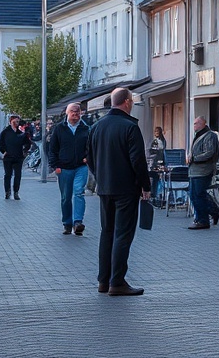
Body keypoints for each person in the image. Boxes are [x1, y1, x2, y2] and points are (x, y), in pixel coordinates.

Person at [87, 87, 151, 296]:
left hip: (104, 188)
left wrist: (100, 177)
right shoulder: (130, 127)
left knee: (107, 233)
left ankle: (103, 281)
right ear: (127, 102)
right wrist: (145, 186)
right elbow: (138, 161)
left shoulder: (96, 127)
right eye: (131, 101)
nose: (131, 104)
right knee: (123, 234)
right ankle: (117, 281)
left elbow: (91, 159)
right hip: (126, 188)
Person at [49, 102, 91, 236]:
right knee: (66, 197)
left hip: (80, 167)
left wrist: (88, 157)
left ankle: (78, 222)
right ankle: (67, 223)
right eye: (73, 111)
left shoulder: (86, 129)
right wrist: (56, 165)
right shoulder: (59, 129)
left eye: (78, 112)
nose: (76, 114)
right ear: (67, 112)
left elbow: (92, 146)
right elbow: (52, 148)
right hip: (64, 168)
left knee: (79, 192)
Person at [186, 116, 219, 230]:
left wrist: (194, 158)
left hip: (203, 170)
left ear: (203, 124)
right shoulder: (198, 135)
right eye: (194, 123)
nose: (194, 126)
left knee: (198, 194)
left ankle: (203, 219)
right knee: (194, 194)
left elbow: (209, 152)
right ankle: (208, 213)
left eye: (196, 123)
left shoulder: (210, 135)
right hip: (194, 171)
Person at [0, 114, 32, 199]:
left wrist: (25, 151)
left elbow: (27, 143)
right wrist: (4, 151)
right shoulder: (5, 132)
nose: (16, 123)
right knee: (8, 175)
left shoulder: (20, 133)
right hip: (8, 157)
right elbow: (0, 143)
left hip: (18, 157)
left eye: (17, 121)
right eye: (15, 121)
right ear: (11, 121)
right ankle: (7, 191)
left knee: (18, 175)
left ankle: (16, 192)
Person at [148, 126, 166, 203]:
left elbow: (159, 151)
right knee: (155, 178)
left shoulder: (161, 141)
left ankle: (155, 194)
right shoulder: (155, 141)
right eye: (155, 131)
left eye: (157, 131)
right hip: (155, 162)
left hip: (158, 162)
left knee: (157, 178)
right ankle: (153, 194)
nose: (156, 133)